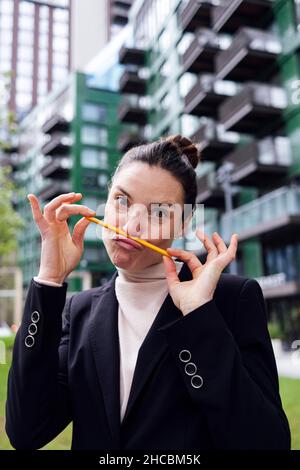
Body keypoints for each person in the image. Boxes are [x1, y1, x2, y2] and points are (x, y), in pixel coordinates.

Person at [6, 135, 290, 450]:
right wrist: (49, 279)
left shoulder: (231, 300)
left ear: (183, 223)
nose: (130, 227)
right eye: (122, 201)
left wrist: (199, 316)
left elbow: (268, 443)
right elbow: (25, 431)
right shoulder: (79, 311)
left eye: (158, 213)